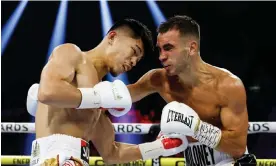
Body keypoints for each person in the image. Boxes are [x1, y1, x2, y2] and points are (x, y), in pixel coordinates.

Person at [26, 18, 189, 166]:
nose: (133, 61)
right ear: (112, 37)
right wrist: (98, 98)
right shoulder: (71, 53)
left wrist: (160, 147)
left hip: (73, 159)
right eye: (134, 51)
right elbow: (47, 92)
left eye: (137, 60)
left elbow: (112, 153)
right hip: (55, 158)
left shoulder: (101, 95)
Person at [127, 15, 257, 166]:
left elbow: (238, 147)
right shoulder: (159, 80)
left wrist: (197, 128)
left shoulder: (227, 85)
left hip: (229, 162)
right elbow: (118, 97)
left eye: (168, 48)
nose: (161, 56)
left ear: (192, 48)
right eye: (160, 49)